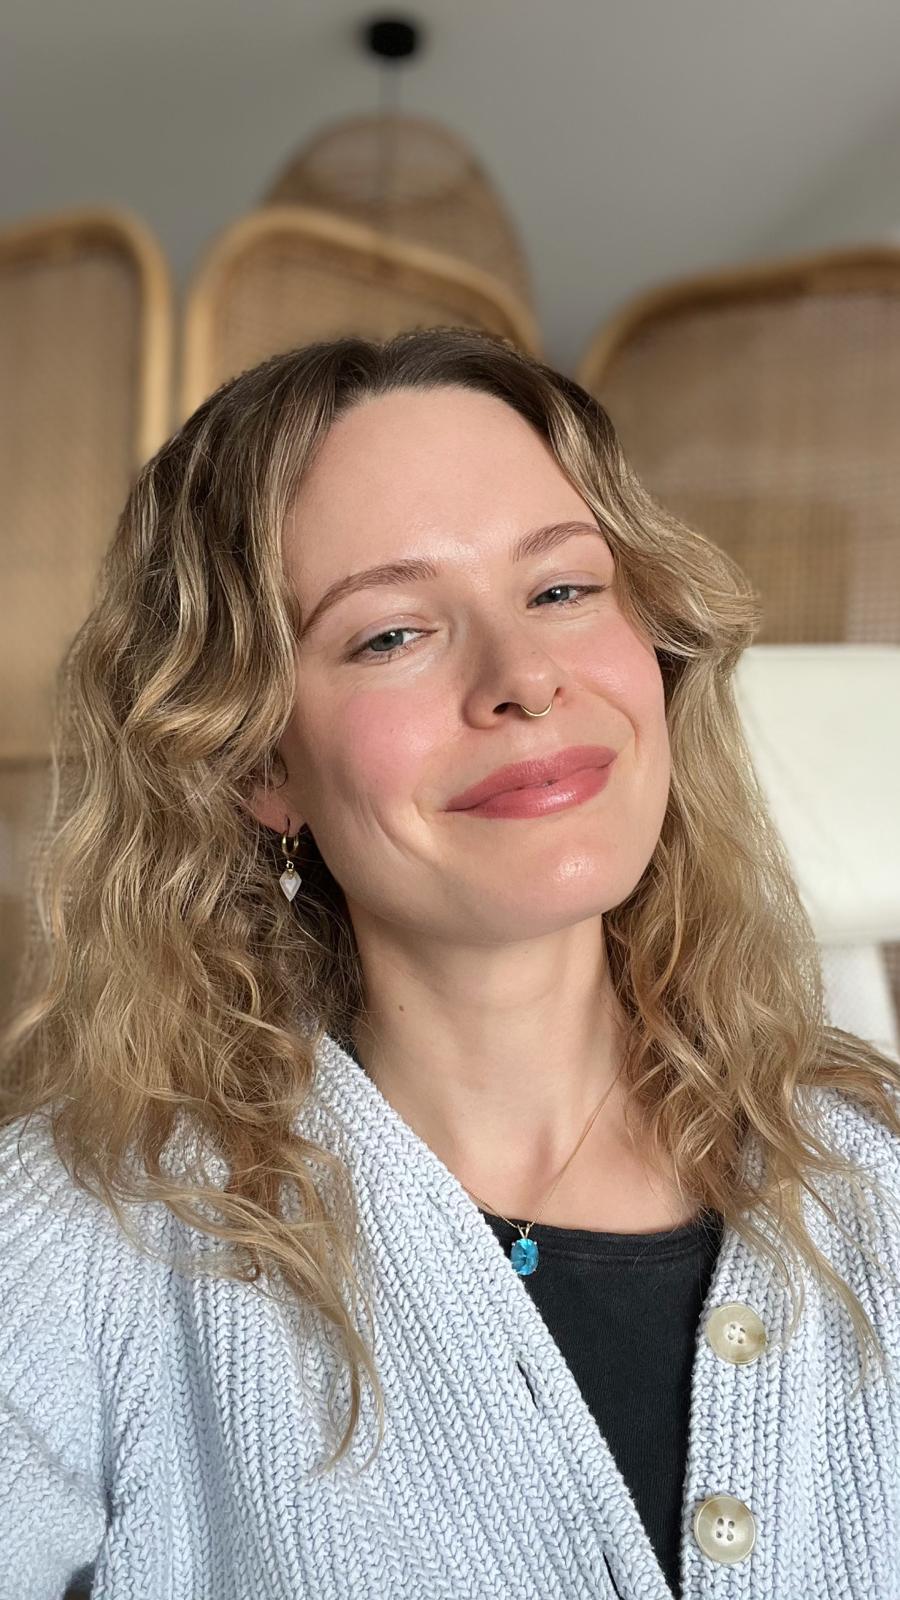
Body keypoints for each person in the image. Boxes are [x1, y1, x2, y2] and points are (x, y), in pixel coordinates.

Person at [1, 326, 899, 1600]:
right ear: (257, 762)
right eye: (390, 635)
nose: (524, 677)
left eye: (563, 589)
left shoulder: (878, 1176)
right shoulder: (87, 1232)